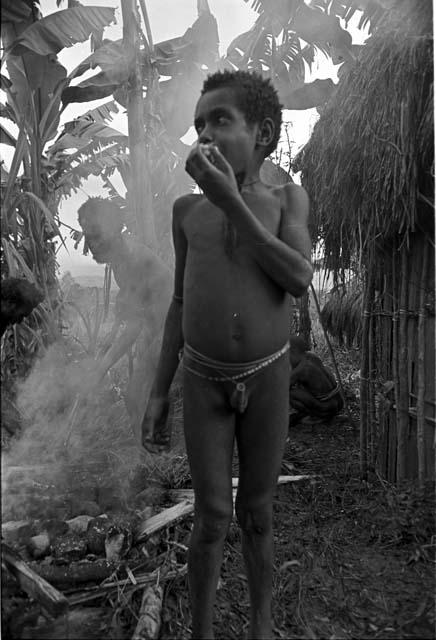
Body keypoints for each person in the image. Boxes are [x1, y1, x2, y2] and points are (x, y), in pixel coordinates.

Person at [141, 69, 312, 639]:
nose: (204, 136)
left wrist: (233, 202)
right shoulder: (187, 212)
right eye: (198, 125)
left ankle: (262, 628)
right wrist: (157, 392)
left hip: (267, 380)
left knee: (257, 514)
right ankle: (202, 632)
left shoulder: (288, 199)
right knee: (212, 518)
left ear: (262, 132)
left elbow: (297, 277)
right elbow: (180, 304)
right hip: (202, 380)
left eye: (220, 120)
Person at [76, 198, 172, 437]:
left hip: (176, 331)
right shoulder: (121, 262)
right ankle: (149, 455)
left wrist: (102, 366)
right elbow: (136, 317)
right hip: (159, 333)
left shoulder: (133, 260)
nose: (91, 245)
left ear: (113, 230)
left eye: (95, 236)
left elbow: (135, 326)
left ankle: (152, 458)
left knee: (137, 396)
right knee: (139, 398)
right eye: (87, 236)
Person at [288, 335, 344, 426]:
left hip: (327, 408)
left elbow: (282, 388)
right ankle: (315, 411)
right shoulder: (311, 356)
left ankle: (318, 416)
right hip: (339, 402)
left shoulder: (302, 369)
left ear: (293, 351)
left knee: (290, 394)